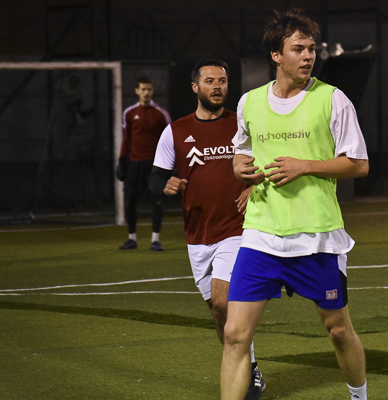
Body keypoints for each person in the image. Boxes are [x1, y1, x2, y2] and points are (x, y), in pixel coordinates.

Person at [220, 8, 369, 400]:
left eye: (311, 49)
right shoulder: (250, 102)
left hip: (316, 238)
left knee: (338, 331)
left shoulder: (333, 100)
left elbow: (358, 164)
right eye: (298, 49)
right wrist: (240, 168)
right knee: (235, 335)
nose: (308, 56)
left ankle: (359, 397)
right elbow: (241, 150)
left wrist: (306, 165)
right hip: (261, 236)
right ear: (276, 55)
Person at [149, 59, 265, 400]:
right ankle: (249, 366)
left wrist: (254, 187)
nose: (217, 86)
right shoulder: (175, 131)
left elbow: (267, 160)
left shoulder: (241, 124)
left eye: (223, 81)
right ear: (195, 87)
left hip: (238, 229)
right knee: (218, 312)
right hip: (198, 234)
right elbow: (155, 177)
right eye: (210, 81)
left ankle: (246, 377)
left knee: (222, 299)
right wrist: (166, 184)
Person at [117, 76, 171, 251]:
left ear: (152, 91)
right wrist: (122, 161)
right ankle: (131, 239)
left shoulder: (160, 113)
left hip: (154, 166)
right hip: (134, 164)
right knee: (130, 201)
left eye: (149, 89)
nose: (146, 93)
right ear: (137, 91)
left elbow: (168, 140)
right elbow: (126, 138)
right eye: (143, 89)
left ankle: (155, 240)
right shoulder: (129, 113)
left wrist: (169, 164)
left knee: (156, 201)